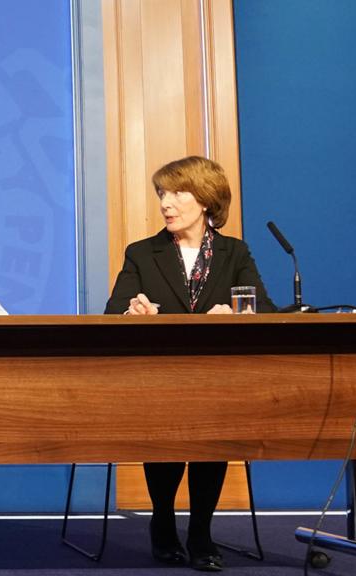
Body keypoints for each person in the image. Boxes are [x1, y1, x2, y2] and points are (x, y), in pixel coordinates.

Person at [105, 156, 275, 572]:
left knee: (212, 438)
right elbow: (111, 314)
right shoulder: (143, 253)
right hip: (159, 377)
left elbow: (265, 310)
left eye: (178, 193)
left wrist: (238, 314)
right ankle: (163, 523)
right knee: (163, 431)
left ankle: (201, 532)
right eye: (162, 193)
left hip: (216, 378)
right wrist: (133, 312)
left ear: (205, 199)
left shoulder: (234, 252)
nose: (166, 202)